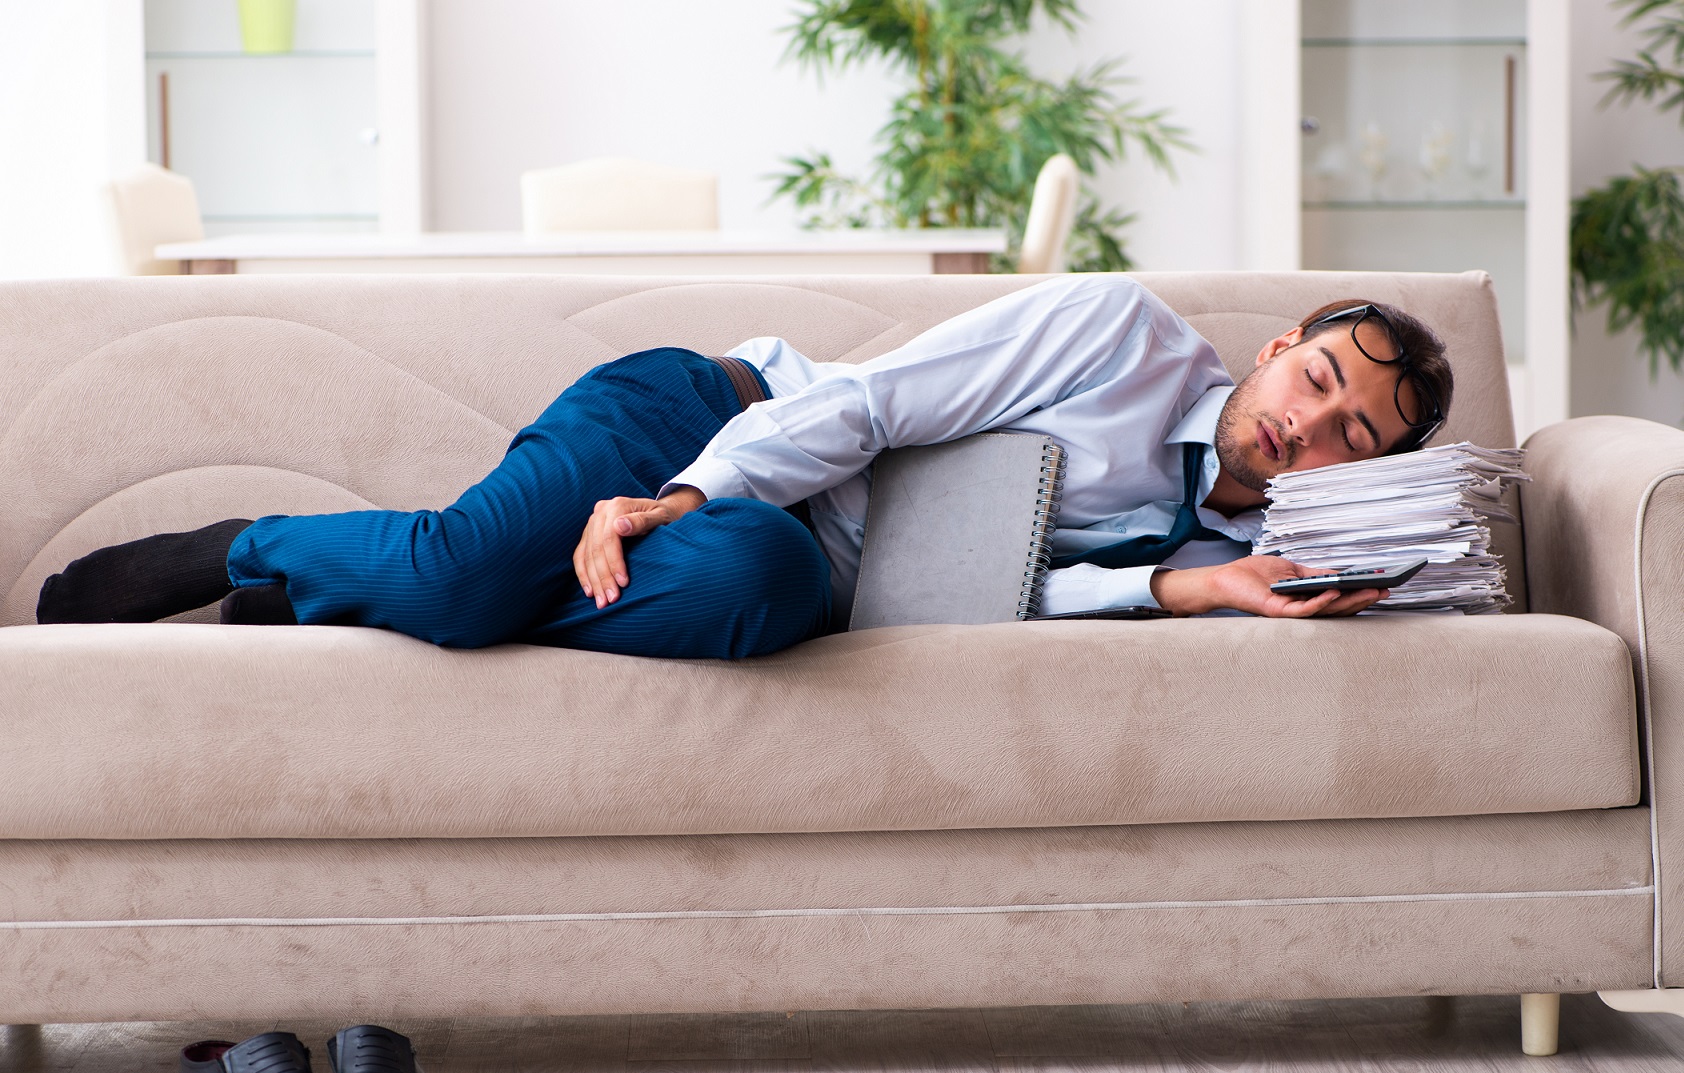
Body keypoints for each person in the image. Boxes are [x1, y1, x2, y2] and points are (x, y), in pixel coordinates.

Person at [35, 276, 1452, 659]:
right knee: (468, 580)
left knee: (767, 588)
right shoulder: (1122, 336)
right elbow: (882, 403)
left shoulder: (1217, 561)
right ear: (1277, 347)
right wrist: (690, 489)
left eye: (1353, 441)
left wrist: (1192, 597)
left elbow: (985, 606)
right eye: (1315, 382)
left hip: (789, 569)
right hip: (702, 424)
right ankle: (255, 552)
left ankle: (380, 589)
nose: (1308, 430)